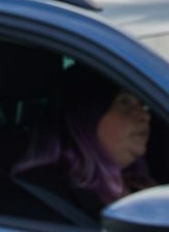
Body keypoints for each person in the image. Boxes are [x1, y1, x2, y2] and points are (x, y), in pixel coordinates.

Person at [9, 64, 156, 219]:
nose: (145, 116)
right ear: (87, 116)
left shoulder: (137, 183)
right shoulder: (43, 197)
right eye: (124, 102)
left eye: (142, 104)